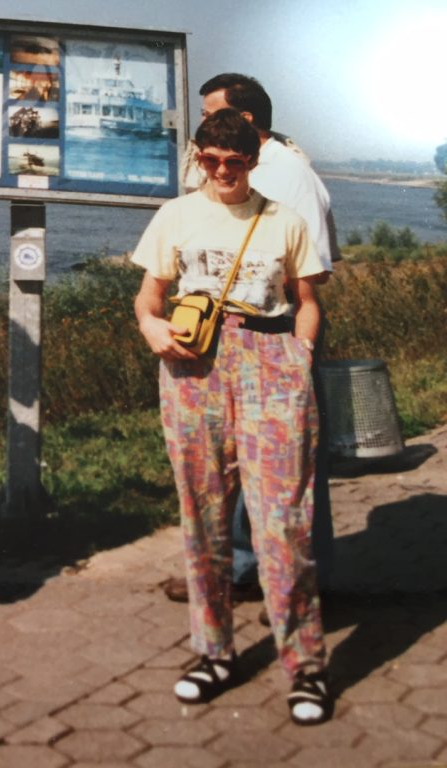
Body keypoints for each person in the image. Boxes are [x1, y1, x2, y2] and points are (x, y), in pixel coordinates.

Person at [132, 109, 332, 725]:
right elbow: (148, 297)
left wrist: (299, 357)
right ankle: (213, 653)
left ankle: (305, 667)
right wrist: (151, 330)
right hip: (195, 369)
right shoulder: (175, 216)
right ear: (198, 157)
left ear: (251, 162)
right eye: (211, 161)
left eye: (235, 163)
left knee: (283, 520)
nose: (222, 172)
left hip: (272, 362)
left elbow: (308, 302)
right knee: (203, 512)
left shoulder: (285, 221)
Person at [165, 73, 337, 609]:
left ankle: (297, 584)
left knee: (289, 464)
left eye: (213, 111)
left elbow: (310, 271)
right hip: (225, 334)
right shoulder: (230, 166)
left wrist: (295, 348)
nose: (204, 125)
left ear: (244, 119)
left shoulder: (289, 174)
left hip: (275, 329)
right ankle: (243, 570)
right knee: (235, 455)